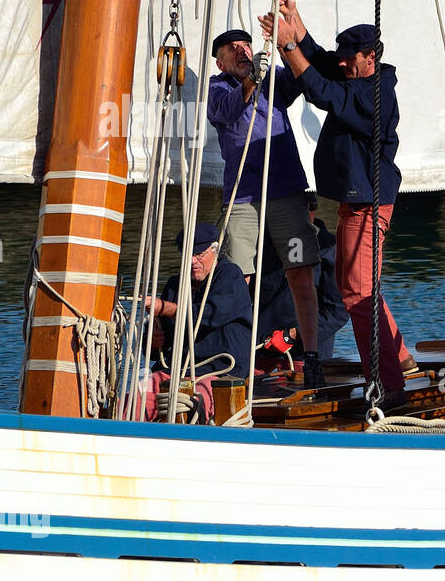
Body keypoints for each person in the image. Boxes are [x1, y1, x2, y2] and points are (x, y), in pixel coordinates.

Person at [260, 0, 410, 404]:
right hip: (355, 201)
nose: (342, 62)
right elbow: (324, 62)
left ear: (370, 58)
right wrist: (297, 21)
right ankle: (398, 359)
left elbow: (323, 92)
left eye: (351, 57)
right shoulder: (356, 75)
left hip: (369, 203)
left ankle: (388, 386)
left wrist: (288, 45)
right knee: (355, 287)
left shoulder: (375, 93)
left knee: (358, 294)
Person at [207, 28, 324, 389]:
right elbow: (229, 110)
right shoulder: (218, 88)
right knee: (237, 278)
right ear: (220, 60)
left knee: (300, 273)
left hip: (286, 194)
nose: (242, 51)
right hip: (243, 199)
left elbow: (302, 80)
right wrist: (251, 81)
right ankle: (236, 360)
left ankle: (313, 356)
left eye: (246, 45)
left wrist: (288, 41)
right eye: (233, 48)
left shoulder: (272, 79)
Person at [142, 223, 254, 422]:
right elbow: (157, 348)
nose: (193, 261)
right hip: (173, 372)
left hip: (220, 372)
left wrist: (164, 308)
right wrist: (153, 341)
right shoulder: (175, 285)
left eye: (199, 254)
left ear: (215, 250)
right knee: (135, 398)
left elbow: (206, 316)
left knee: (195, 407)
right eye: (187, 256)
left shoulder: (230, 277)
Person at [257, 193, 349, 363]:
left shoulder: (331, 252)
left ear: (311, 212)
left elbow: (337, 313)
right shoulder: (263, 244)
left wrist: (292, 335)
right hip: (261, 348)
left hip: (304, 355)